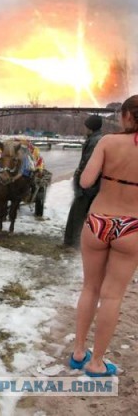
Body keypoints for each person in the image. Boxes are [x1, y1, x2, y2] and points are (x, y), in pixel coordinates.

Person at [70, 95, 138, 377]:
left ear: (124, 116)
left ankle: (78, 351)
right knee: (112, 297)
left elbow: (85, 181)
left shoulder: (107, 142)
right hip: (132, 226)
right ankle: (96, 362)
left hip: (98, 221)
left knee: (90, 288)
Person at [63, 115, 104, 248]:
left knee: (77, 214)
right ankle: (72, 242)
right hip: (91, 184)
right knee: (78, 212)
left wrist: (81, 184)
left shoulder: (95, 141)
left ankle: (72, 244)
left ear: (90, 127)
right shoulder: (95, 139)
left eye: (86, 126)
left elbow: (88, 164)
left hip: (88, 186)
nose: (84, 128)